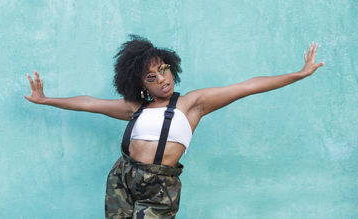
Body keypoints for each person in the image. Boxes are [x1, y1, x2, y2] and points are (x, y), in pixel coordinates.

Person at [24, 35, 324, 218]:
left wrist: (298, 74)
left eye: (163, 69)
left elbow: (246, 86)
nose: (162, 79)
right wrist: (46, 99)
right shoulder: (135, 108)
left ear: (171, 67)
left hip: (161, 184)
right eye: (151, 77)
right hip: (122, 177)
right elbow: (89, 103)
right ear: (140, 84)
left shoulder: (192, 104)